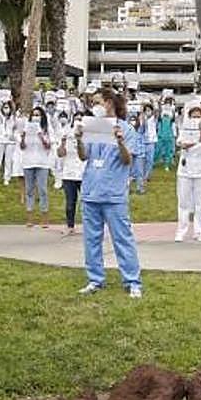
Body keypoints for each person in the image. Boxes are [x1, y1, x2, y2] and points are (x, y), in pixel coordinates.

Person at [77, 88, 142, 298]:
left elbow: (127, 160)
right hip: (90, 191)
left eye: (97, 102)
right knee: (91, 240)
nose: (93, 106)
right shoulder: (91, 127)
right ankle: (95, 279)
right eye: (92, 103)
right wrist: (78, 139)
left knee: (122, 239)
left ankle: (132, 281)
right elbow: (83, 156)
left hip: (113, 194)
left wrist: (120, 141)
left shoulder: (126, 128)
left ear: (109, 103)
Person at [174, 104, 201, 243]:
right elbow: (181, 143)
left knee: (200, 204)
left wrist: (200, 130)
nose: (196, 118)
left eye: (198, 115)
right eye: (193, 116)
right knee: (183, 202)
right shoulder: (184, 129)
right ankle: (181, 231)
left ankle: (199, 231)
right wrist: (190, 143)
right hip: (185, 170)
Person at [19, 105, 55, 228]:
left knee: (42, 190)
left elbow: (48, 146)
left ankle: (45, 218)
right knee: (29, 190)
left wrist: (41, 136)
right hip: (28, 162)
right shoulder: (27, 127)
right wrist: (23, 137)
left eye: (38, 115)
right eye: (33, 115)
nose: (35, 117)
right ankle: (30, 217)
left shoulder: (47, 129)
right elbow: (22, 147)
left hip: (42, 162)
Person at [57, 112, 86, 234]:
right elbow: (60, 154)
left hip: (84, 172)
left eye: (81, 119)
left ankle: (88, 225)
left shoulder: (88, 135)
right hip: (69, 173)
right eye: (76, 119)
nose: (78, 121)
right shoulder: (67, 132)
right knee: (70, 202)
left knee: (86, 202)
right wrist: (63, 142)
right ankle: (70, 225)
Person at [154, 100, 176, 170]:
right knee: (157, 150)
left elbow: (173, 117)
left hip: (169, 136)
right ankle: (153, 162)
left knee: (168, 151)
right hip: (161, 136)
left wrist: (173, 107)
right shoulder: (160, 118)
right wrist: (160, 104)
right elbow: (159, 112)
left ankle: (166, 165)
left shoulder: (171, 118)